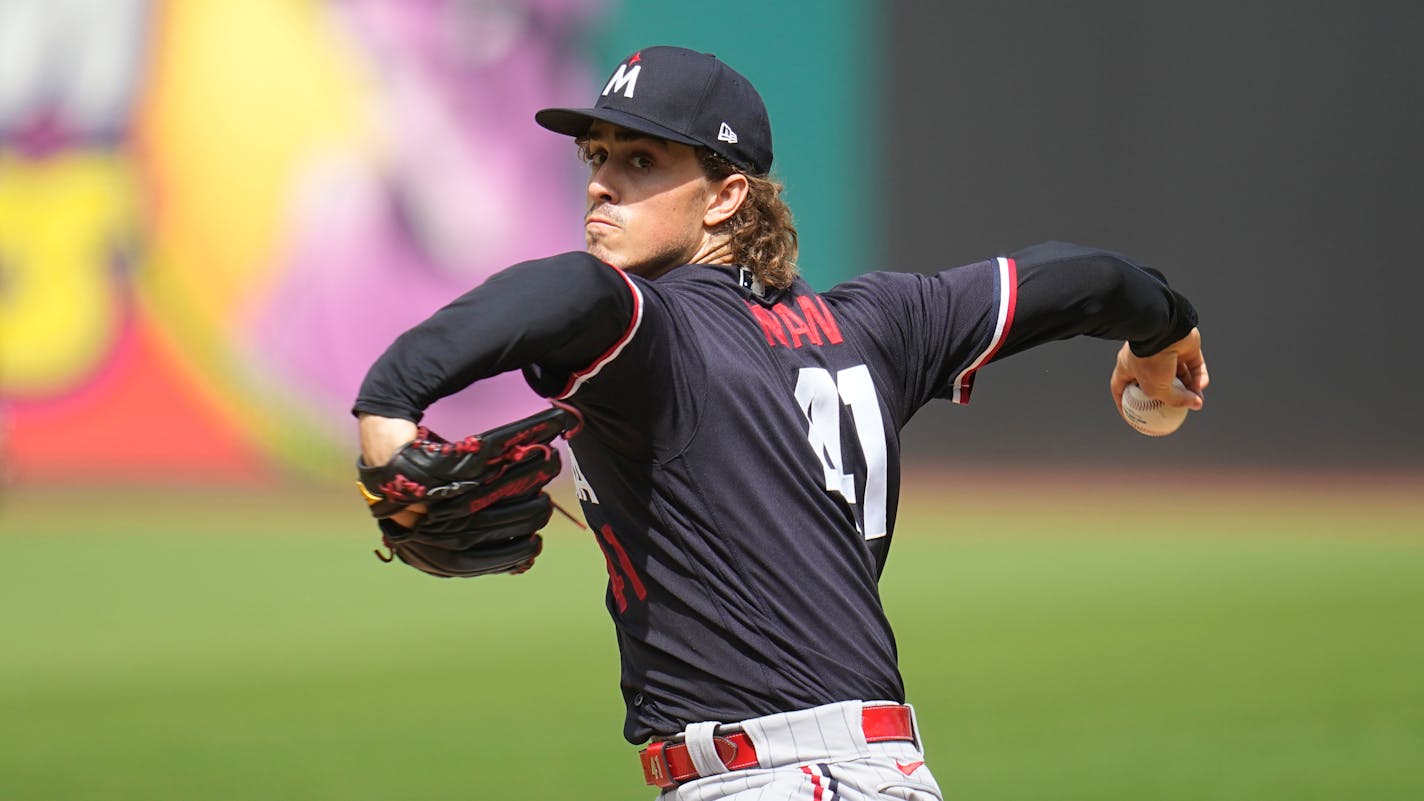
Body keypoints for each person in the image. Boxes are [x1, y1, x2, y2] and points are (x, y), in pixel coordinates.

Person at [353, 45, 1208, 800]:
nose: (602, 182)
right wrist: (1163, 327)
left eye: (643, 159)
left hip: (769, 779)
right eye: (598, 154)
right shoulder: (878, 324)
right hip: (884, 772)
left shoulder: (658, 332)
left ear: (727, 197)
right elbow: (1082, 279)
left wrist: (389, 403)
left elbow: (565, 293)